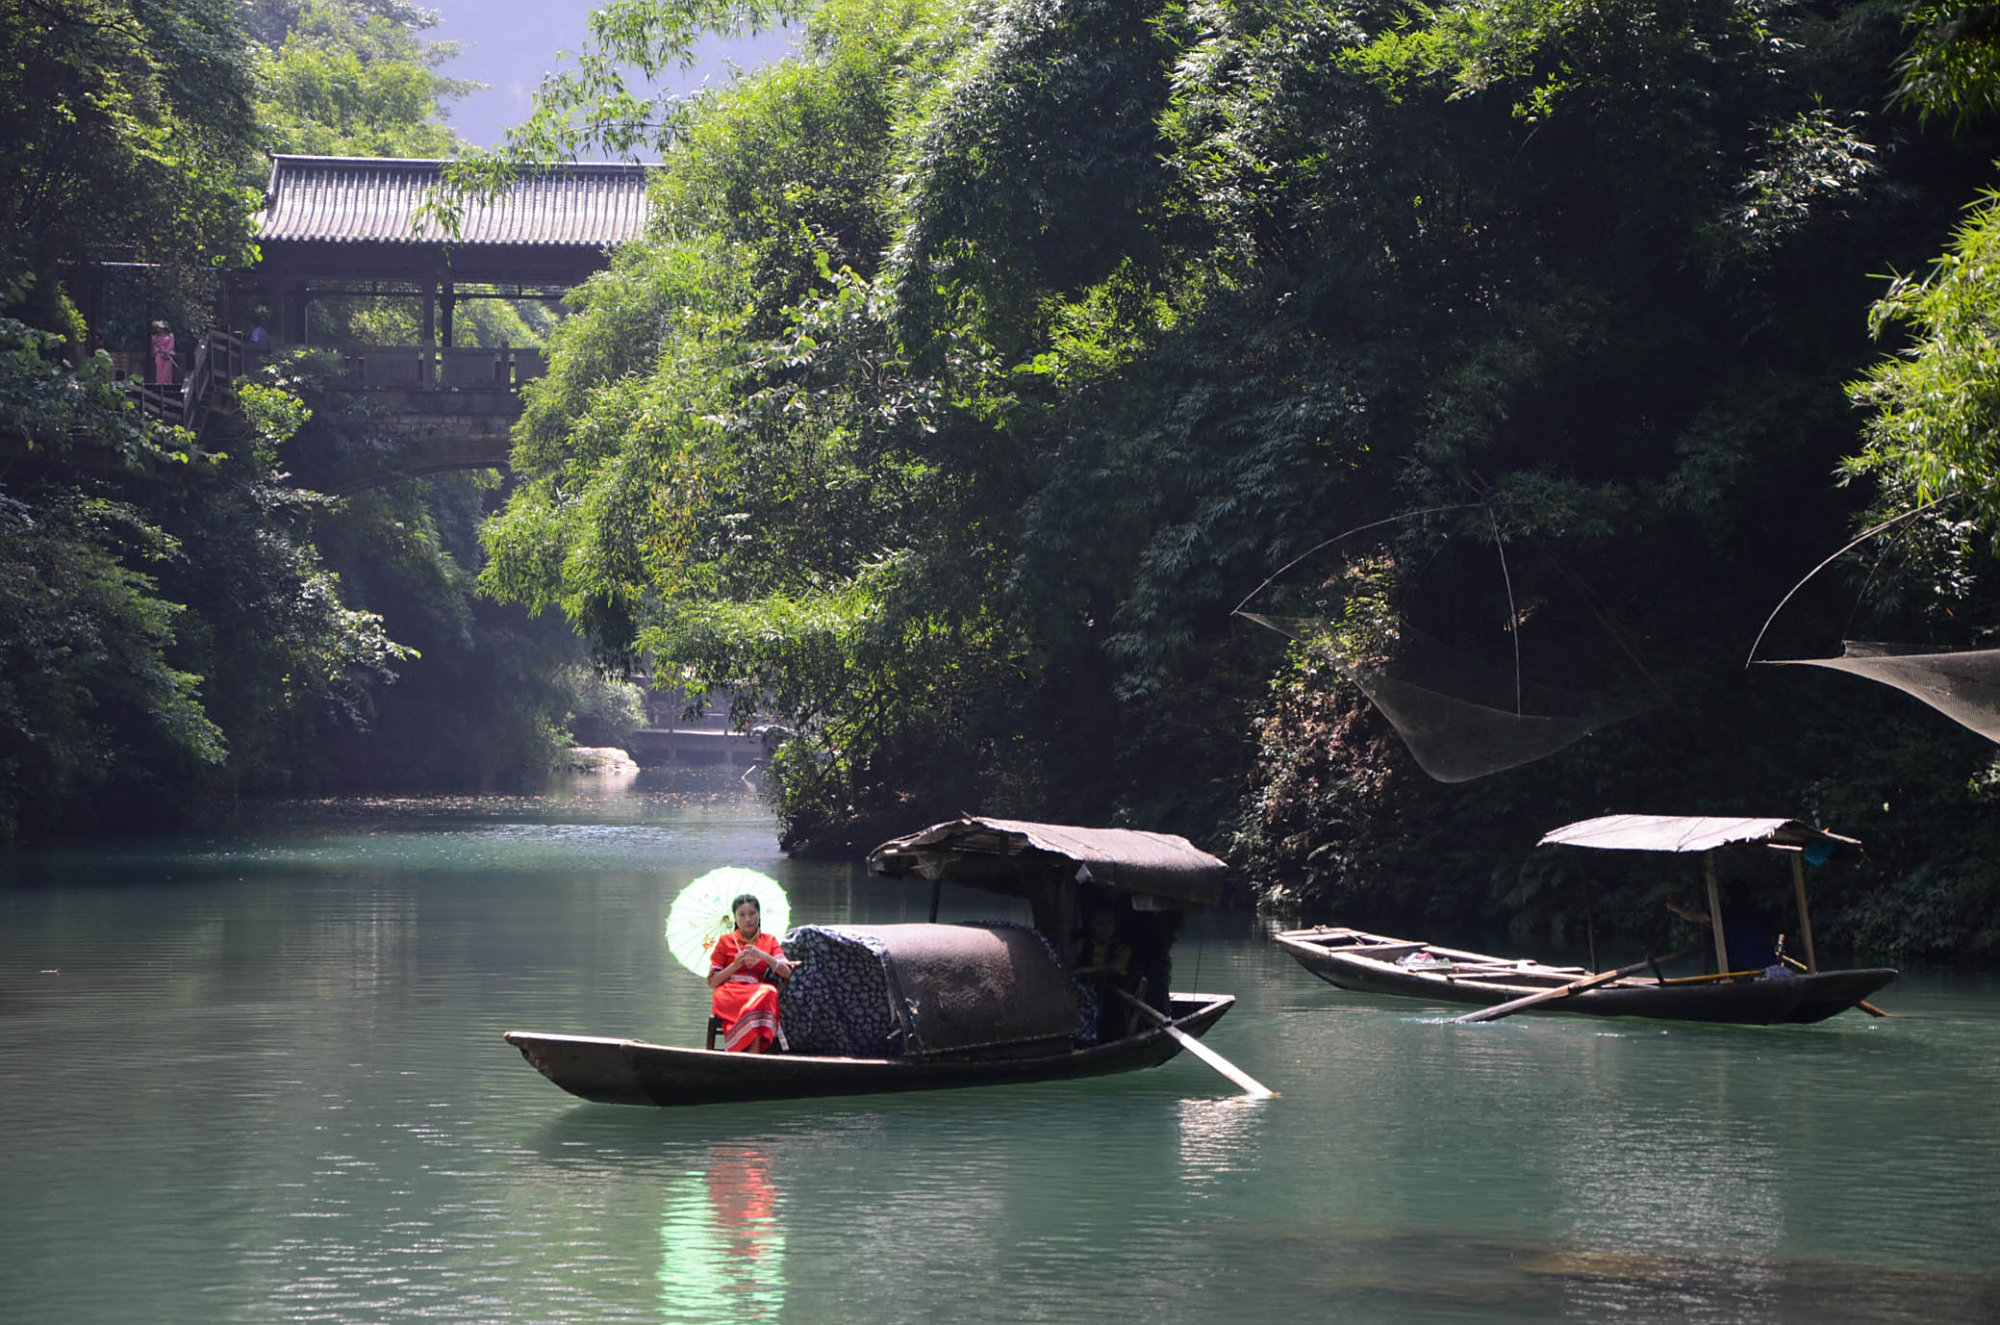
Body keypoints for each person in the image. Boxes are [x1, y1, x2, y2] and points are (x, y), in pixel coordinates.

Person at [707, 894, 792, 1053]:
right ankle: (752, 1055)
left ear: (759, 915)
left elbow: (786, 972)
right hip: (730, 993)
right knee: (759, 1002)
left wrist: (763, 956)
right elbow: (712, 982)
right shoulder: (725, 941)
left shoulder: (769, 941)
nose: (748, 919)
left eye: (752, 914)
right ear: (735, 917)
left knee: (769, 992)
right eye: (742, 915)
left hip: (756, 992)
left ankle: (751, 1055)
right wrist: (734, 965)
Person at [1667, 881, 1783, 971]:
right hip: (1768, 964)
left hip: (1741, 968)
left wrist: (1676, 908)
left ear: (1729, 896)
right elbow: (1770, 938)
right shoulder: (1761, 913)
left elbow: (1696, 917)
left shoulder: (1723, 913)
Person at [1069, 906, 1134, 1041]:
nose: (1105, 929)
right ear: (1092, 925)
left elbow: (1116, 967)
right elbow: (1066, 967)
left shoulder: (1122, 948)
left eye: (1109, 924)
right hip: (1082, 995)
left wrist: (1083, 971)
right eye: (1100, 924)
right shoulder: (1081, 945)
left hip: (1112, 999)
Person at [149, 321, 176, 386]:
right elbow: (154, 346)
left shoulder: (170, 336)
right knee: (160, 370)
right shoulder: (155, 337)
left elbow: (171, 345)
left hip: (168, 354)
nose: (160, 330)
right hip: (159, 354)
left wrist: (166, 351)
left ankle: (167, 384)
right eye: (158, 328)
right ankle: (160, 383)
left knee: (167, 370)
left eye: (161, 328)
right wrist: (159, 350)